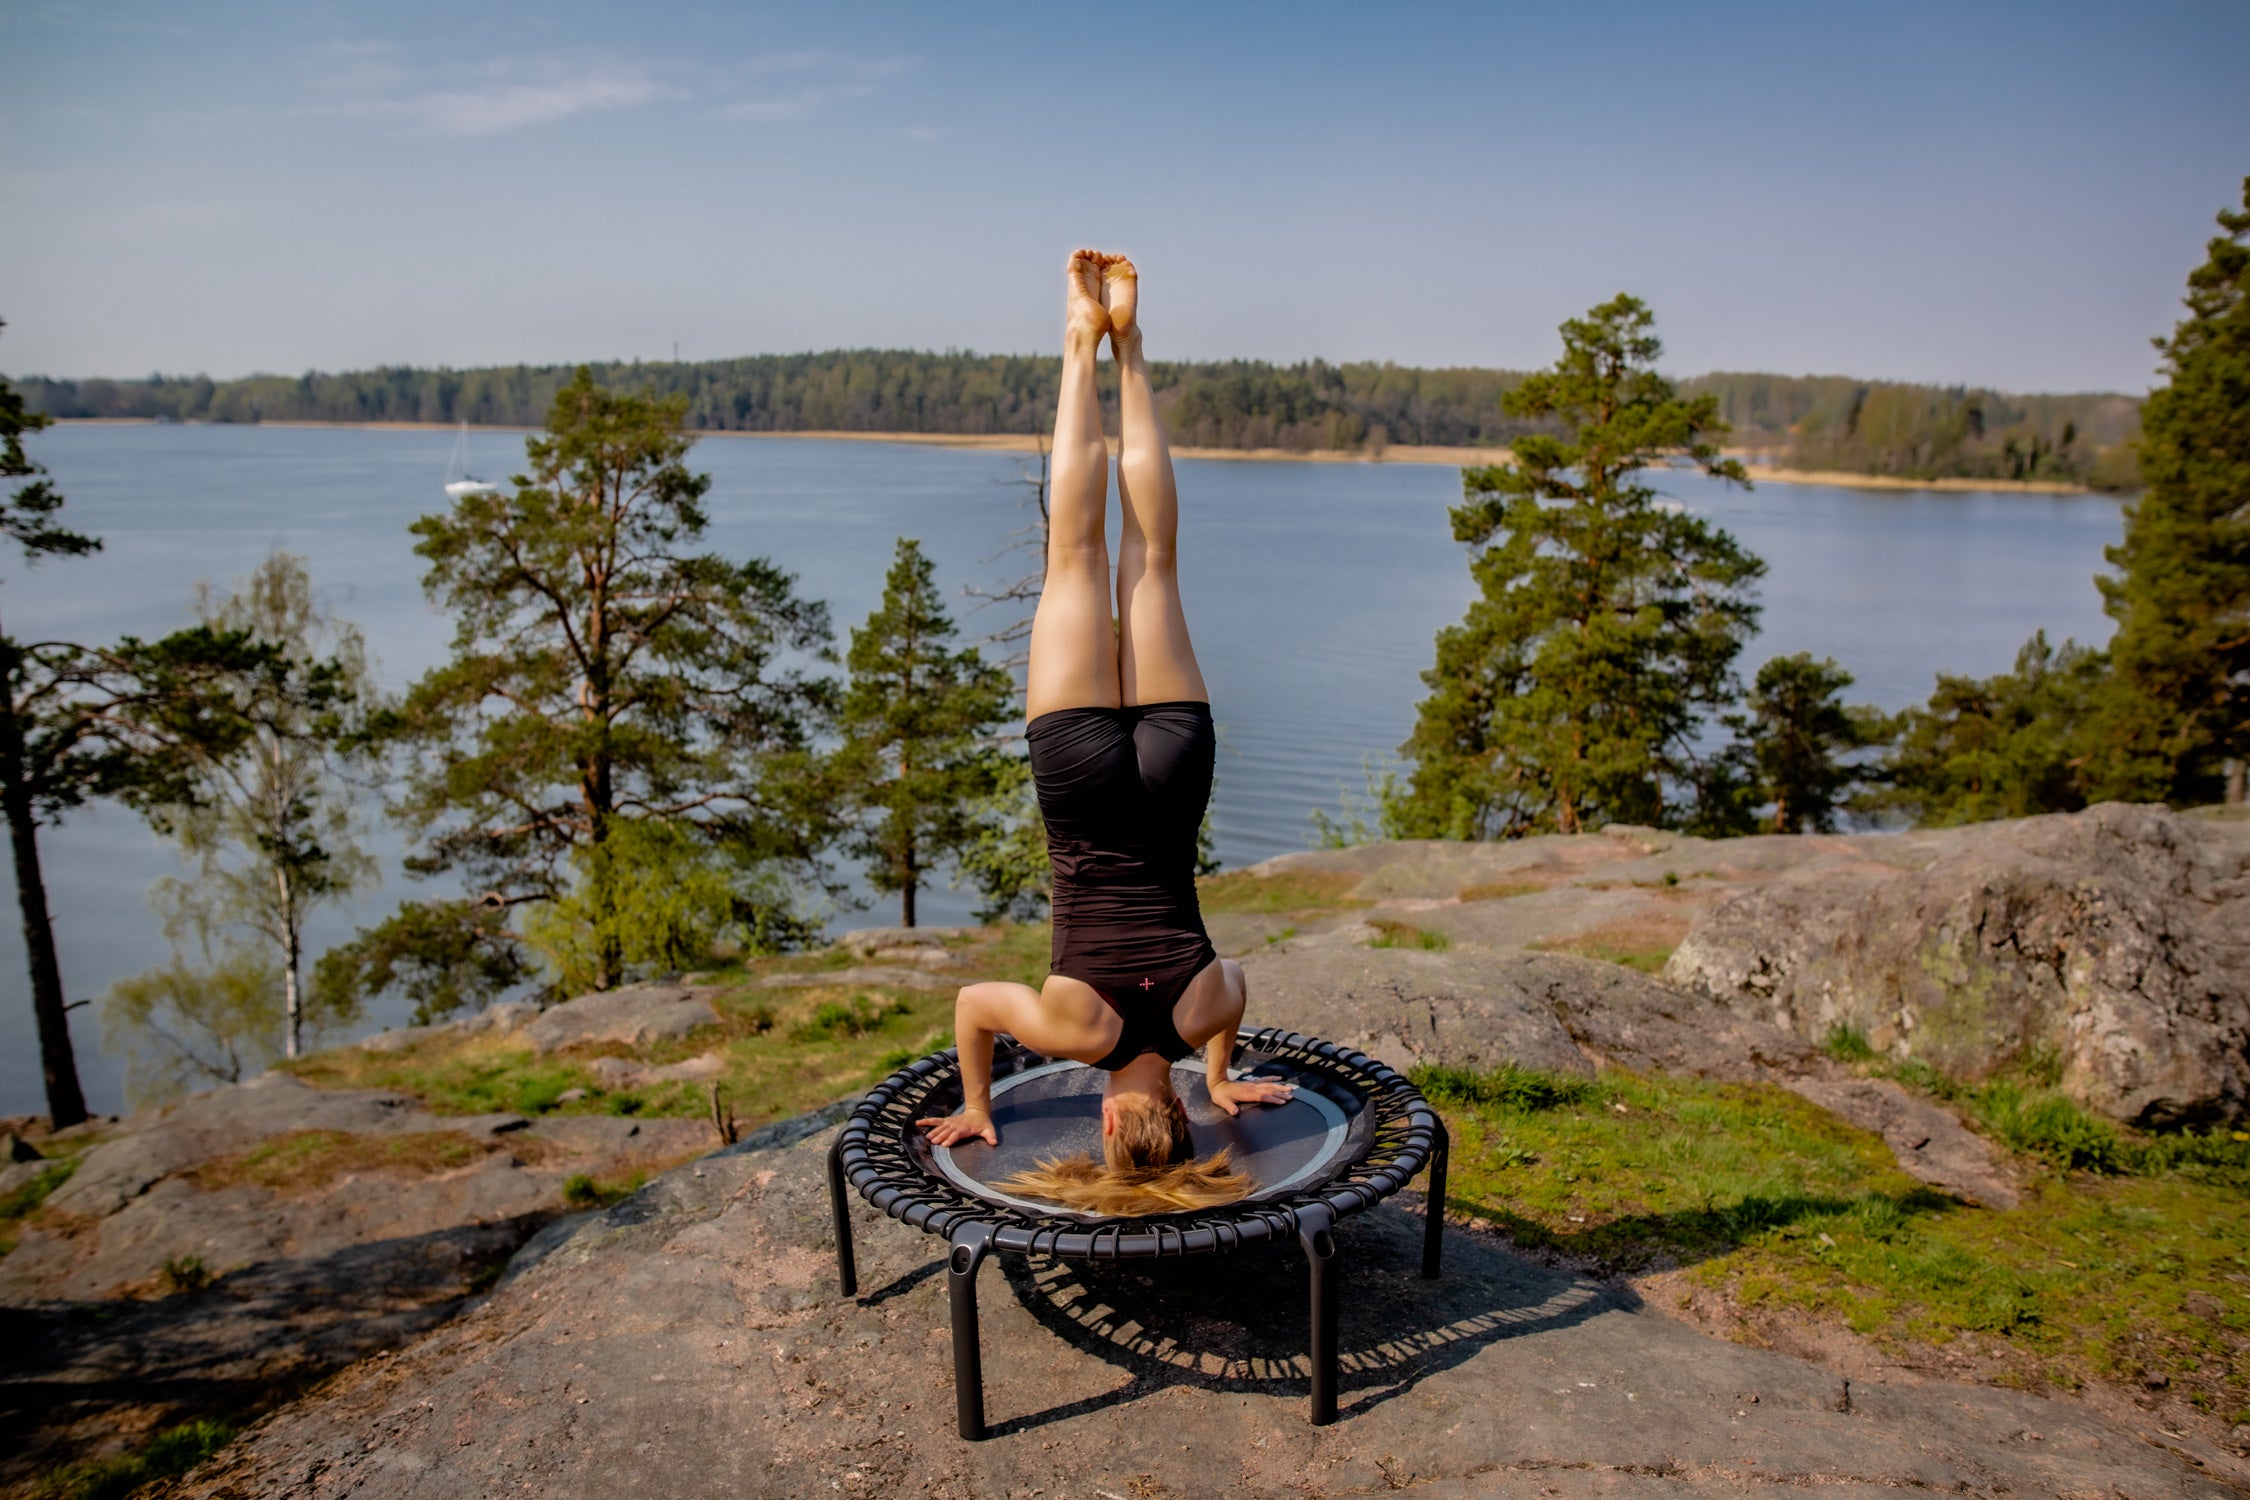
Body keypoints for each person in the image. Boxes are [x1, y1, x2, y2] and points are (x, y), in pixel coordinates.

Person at [916, 251, 1294, 1213]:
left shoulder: (1208, 1006)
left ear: (1172, 1113)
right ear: (1115, 1122)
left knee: (1155, 560)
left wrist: (1217, 1074)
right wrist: (973, 1106)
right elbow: (969, 1008)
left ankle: (1131, 346)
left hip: (1172, 773)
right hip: (1083, 782)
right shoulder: (1073, 1031)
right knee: (1076, 554)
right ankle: (1081, 340)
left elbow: (1239, 977)